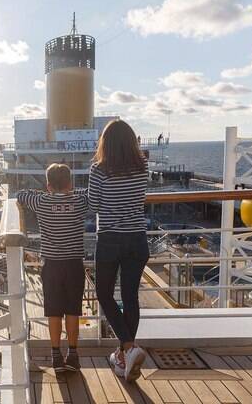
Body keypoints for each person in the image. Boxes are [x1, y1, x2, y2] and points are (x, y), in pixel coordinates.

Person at [88, 119, 149, 381]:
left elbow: (93, 204)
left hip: (111, 239)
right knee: (130, 297)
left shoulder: (99, 170)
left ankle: (128, 348)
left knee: (103, 294)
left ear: (106, 143)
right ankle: (125, 357)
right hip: (137, 238)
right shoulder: (142, 166)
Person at [17, 164, 88, 372]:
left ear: (48, 186)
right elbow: (90, 194)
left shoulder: (41, 201)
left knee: (54, 312)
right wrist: (74, 192)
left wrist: (43, 193)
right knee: (73, 310)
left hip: (52, 265)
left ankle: (56, 356)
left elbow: (21, 194)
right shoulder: (79, 200)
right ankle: (73, 355)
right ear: (70, 183)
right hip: (74, 264)